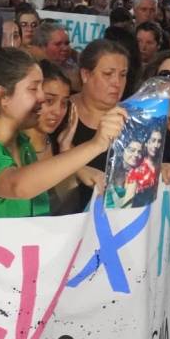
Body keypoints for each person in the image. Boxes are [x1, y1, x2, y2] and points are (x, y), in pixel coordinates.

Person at [0, 47, 125, 218]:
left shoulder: (22, 144)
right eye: (33, 89)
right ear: (2, 96)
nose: (41, 97)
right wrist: (96, 144)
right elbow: (17, 186)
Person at [67, 40, 131, 211]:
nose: (117, 82)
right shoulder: (59, 112)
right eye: (108, 74)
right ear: (85, 75)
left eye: (123, 74)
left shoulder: (133, 119)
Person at [22, 60, 80, 215]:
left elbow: (70, 204)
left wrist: (65, 149)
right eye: (49, 101)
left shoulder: (60, 146)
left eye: (64, 103)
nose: (58, 111)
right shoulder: (12, 148)